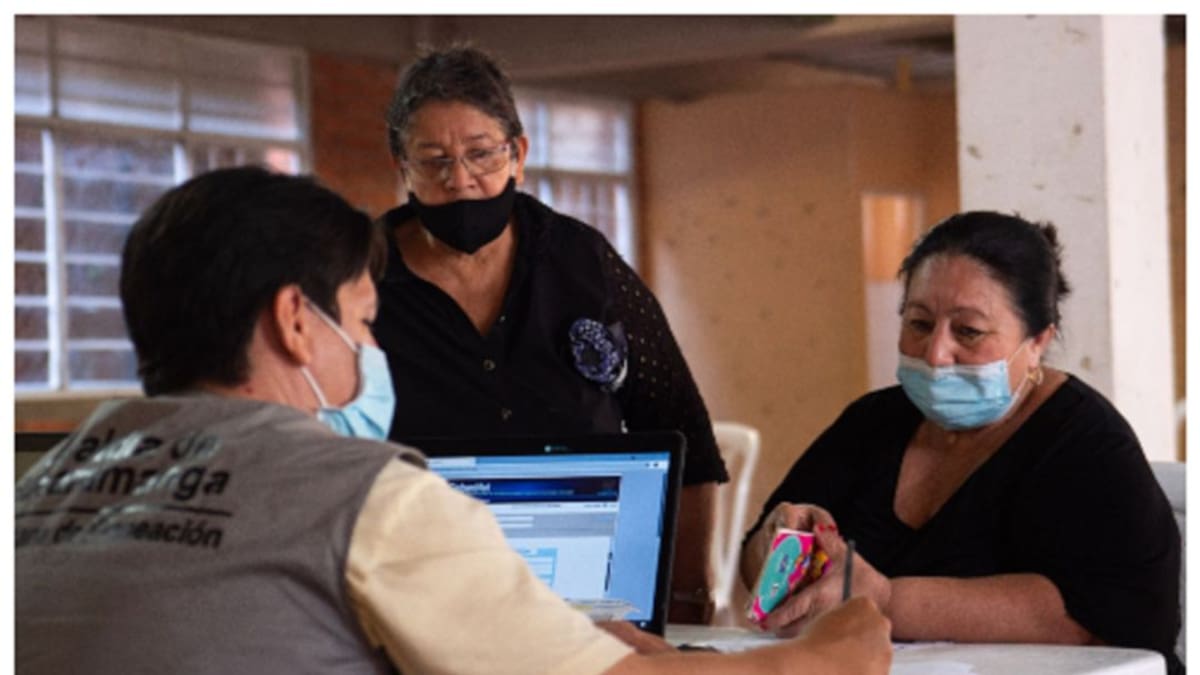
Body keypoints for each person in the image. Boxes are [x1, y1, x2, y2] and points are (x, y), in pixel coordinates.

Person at [15, 166, 891, 675]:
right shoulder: (363, 498)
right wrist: (826, 654)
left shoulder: (39, 484)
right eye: (362, 323)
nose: (369, 352)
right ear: (293, 322)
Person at [373, 45, 727, 623]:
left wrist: (687, 599)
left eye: (481, 155)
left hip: (592, 589)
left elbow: (680, 424)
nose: (460, 181)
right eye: (433, 160)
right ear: (402, 166)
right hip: (422, 593)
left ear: (518, 155)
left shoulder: (580, 259)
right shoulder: (360, 277)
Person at [739, 211, 1182, 673]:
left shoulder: (1087, 443)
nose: (936, 353)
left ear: (1037, 341)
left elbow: (1109, 610)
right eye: (919, 323)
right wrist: (780, 548)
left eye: (968, 332)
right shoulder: (871, 422)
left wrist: (885, 598)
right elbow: (754, 556)